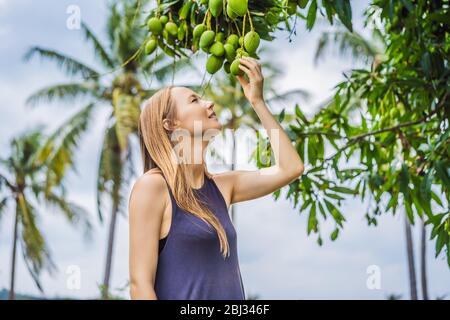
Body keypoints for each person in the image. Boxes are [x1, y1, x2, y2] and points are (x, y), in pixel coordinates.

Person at [129, 57, 304, 300]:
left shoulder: (223, 187)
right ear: (170, 124)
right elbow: (140, 286)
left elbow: (291, 168)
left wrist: (257, 101)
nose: (209, 103)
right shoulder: (153, 187)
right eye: (194, 100)